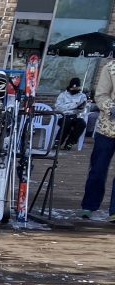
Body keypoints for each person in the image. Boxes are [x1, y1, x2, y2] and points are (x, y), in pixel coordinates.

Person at [80, 57, 115, 221]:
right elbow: (101, 95)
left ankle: (114, 211)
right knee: (98, 170)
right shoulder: (111, 68)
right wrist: (111, 108)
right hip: (107, 129)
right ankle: (89, 205)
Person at [55, 77, 88, 149]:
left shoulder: (82, 96)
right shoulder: (62, 95)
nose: (74, 90)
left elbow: (82, 110)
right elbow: (58, 107)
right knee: (67, 122)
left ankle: (70, 143)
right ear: (69, 87)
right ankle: (58, 143)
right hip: (63, 116)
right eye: (72, 88)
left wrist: (80, 107)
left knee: (82, 123)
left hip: (76, 116)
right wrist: (75, 105)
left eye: (76, 88)